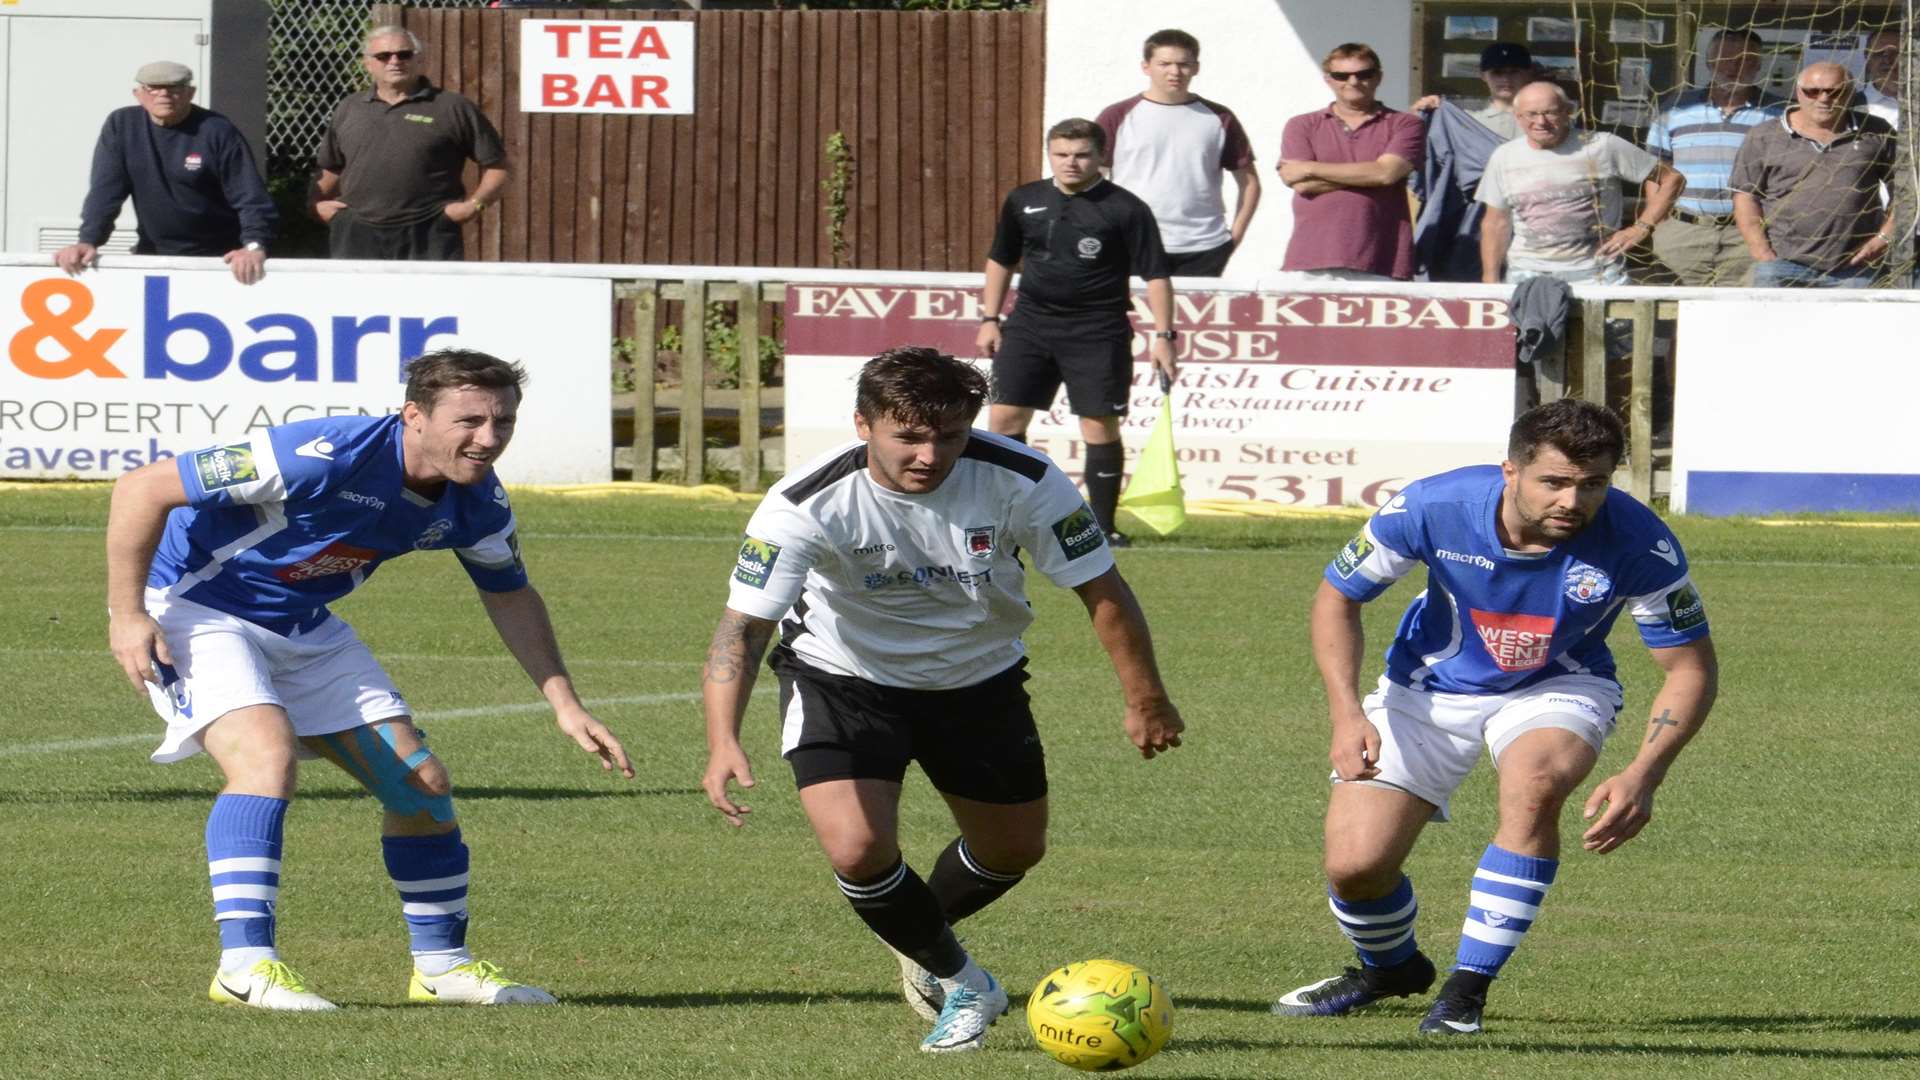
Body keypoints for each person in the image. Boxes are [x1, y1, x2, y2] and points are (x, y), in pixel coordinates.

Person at [104, 348, 633, 1011]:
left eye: (503, 422)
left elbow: (509, 593)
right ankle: (244, 967)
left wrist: (565, 703)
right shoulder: (320, 453)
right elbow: (142, 487)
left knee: (419, 784)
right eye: (469, 420)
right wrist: (126, 616)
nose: (488, 439)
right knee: (264, 759)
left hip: (300, 624)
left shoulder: (477, 502)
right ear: (414, 415)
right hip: (193, 607)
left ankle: (442, 968)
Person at [700, 347, 1184, 1054]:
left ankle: (919, 936)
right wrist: (722, 740)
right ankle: (964, 982)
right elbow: (742, 628)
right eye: (910, 437)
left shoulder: (1023, 479)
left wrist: (1146, 698)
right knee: (860, 847)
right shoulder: (804, 502)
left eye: (950, 436)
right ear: (863, 424)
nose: (931, 455)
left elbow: (1100, 589)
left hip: (978, 681)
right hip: (843, 679)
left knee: (1013, 849)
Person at [1273, 398, 1718, 1037]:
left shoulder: (1641, 543)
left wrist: (1644, 773)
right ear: (1510, 471)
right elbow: (1338, 596)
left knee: (1536, 783)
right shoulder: (1433, 507)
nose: (1574, 500)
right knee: (1355, 866)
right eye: (1555, 482)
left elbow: (1689, 667)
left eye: (1593, 484)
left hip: (1558, 685)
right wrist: (1346, 715)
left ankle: (1464, 993)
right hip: (1426, 687)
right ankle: (1389, 969)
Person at [976, 118, 1177, 548]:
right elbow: (1001, 259)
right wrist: (989, 318)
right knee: (1004, 418)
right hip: (1030, 324)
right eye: (1061, 154)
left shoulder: (1126, 208)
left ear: (1101, 157)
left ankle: (1103, 527)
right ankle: (1003, 516)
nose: (1071, 162)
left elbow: (1156, 275)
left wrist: (1164, 335)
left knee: (1098, 424)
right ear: (1049, 153)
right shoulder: (1024, 199)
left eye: (1082, 154)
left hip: (1098, 329)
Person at [55, 61, 276, 286]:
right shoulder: (121, 125)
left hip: (219, 260)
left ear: (191, 93)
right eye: (153, 88)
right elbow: (105, 192)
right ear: (138, 94)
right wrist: (88, 240)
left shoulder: (217, 130)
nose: (164, 94)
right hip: (153, 254)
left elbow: (250, 196)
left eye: (174, 88)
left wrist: (254, 245)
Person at [310, 26, 509, 260]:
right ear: (368, 64)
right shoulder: (349, 107)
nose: (394, 61)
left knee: (428, 298)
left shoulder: (452, 107)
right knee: (358, 298)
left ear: (418, 60)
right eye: (383, 56)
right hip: (357, 231)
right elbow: (330, 166)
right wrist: (315, 204)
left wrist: (474, 206)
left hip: (430, 231)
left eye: (404, 54)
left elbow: (498, 168)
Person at [1478, 82, 1685, 285]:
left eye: (1550, 112)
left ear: (1568, 111)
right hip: (1527, 273)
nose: (1541, 122)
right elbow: (1495, 223)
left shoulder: (1602, 145)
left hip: (1597, 274)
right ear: (1518, 116)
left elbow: (1672, 178)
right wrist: (1490, 280)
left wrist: (1640, 228)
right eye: (1531, 114)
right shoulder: (1504, 156)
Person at [1095, 28, 1261, 277]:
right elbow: (1091, 179)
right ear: (1146, 67)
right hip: (1131, 243)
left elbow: (1249, 183)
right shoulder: (1116, 116)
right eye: (1165, 63)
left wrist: (1234, 238)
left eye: (1183, 64)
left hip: (1204, 248)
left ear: (1196, 67)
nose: (1174, 72)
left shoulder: (1220, 117)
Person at [1730, 62, 1899, 288]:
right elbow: (1745, 196)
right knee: (1776, 324)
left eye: (1835, 91)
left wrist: (1883, 239)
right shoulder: (1764, 136)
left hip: (1855, 267)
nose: (1823, 99)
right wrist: (1761, 252)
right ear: (1798, 92)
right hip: (1781, 264)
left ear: (1850, 93)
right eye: (1813, 91)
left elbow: (1907, 192)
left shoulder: (1877, 131)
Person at [1644, 29, 1785, 286]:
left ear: (1758, 65)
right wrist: (1659, 226)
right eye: (1725, 58)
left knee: (1741, 315)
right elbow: (1656, 171)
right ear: (1709, 62)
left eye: (1744, 59)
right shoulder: (1674, 108)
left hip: (1749, 237)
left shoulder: (1781, 113)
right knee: (1674, 315)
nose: (1733, 67)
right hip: (1683, 234)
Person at [1278, 43, 1425, 281]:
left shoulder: (1406, 124)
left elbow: (1386, 174)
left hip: (1383, 258)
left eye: (1363, 74)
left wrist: (1310, 167)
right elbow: (1302, 185)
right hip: (1310, 258)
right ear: (1328, 79)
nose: (1353, 82)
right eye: (1342, 75)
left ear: (1378, 77)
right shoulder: (1301, 125)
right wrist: (1370, 175)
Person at [1413, 42, 1537, 140]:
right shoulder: (1464, 115)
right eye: (1497, 72)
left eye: (1514, 72)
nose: (1505, 79)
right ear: (1482, 75)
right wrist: (1425, 110)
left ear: (1528, 74)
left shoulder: (1545, 116)